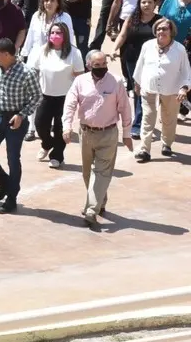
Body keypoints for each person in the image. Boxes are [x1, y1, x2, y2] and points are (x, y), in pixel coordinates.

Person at [64, 51, 133, 225]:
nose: (102, 68)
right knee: (87, 173)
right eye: (97, 65)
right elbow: (70, 104)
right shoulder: (80, 82)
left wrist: (126, 134)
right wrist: (66, 126)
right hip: (86, 133)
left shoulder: (116, 81)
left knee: (101, 172)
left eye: (104, 64)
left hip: (108, 133)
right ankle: (100, 201)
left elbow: (125, 108)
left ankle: (91, 210)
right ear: (89, 65)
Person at [0, 37, 42, 214]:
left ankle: (12, 198)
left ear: (7, 55)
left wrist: (21, 115)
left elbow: (37, 97)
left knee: (13, 159)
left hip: (15, 120)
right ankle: (5, 183)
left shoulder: (26, 72)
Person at [26, 23, 85, 168]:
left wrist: (79, 97)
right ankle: (47, 143)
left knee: (60, 128)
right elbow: (33, 71)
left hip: (65, 98)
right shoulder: (42, 51)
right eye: (52, 32)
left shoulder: (74, 53)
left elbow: (80, 76)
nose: (55, 35)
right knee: (40, 124)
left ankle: (57, 155)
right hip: (45, 96)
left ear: (65, 35)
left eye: (59, 32)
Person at [132, 19, 191, 162]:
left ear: (171, 31)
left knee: (169, 119)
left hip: (171, 89)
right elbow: (140, 64)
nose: (161, 32)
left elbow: (185, 72)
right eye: (158, 29)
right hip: (149, 88)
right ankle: (144, 149)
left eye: (164, 29)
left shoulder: (179, 49)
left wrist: (184, 88)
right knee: (147, 118)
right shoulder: (147, 45)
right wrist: (137, 83)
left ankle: (167, 144)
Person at [116, 0, 161, 139]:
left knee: (147, 91)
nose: (146, 5)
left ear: (155, 4)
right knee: (138, 90)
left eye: (149, 2)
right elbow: (122, 35)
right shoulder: (132, 19)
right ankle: (138, 123)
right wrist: (114, 49)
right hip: (132, 59)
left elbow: (166, 40)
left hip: (152, 61)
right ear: (139, 4)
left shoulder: (160, 21)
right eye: (143, 2)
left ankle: (141, 122)